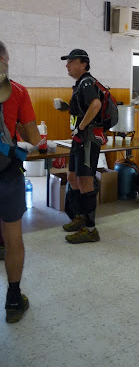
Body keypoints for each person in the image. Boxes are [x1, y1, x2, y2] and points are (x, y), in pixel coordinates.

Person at [0, 42, 41, 323]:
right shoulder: (17, 91)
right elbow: (35, 139)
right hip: (7, 174)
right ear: (4, 59)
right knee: (13, 238)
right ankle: (14, 299)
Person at [58, 49, 104, 244]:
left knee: (85, 181)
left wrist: (82, 127)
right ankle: (80, 217)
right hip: (79, 139)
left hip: (87, 139)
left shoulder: (86, 82)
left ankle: (91, 229)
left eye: (71, 61)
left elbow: (96, 105)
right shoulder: (79, 84)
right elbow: (84, 108)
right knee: (72, 177)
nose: (67, 65)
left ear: (83, 64)